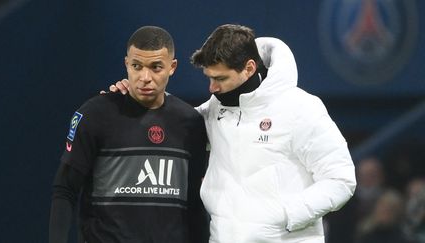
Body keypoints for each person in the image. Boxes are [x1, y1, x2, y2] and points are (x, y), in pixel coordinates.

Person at [110, 24, 357, 243]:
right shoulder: (217, 107)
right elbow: (173, 122)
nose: (212, 87)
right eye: (209, 78)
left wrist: (285, 216)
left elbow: (341, 180)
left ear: (249, 68)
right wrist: (130, 98)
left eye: (220, 78)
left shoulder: (301, 108)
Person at [49, 26, 209, 243]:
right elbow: (65, 189)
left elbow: (195, 202)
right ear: (126, 64)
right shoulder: (94, 114)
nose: (145, 77)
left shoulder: (191, 123)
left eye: (156, 67)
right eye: (136, 66)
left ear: (172, 67)